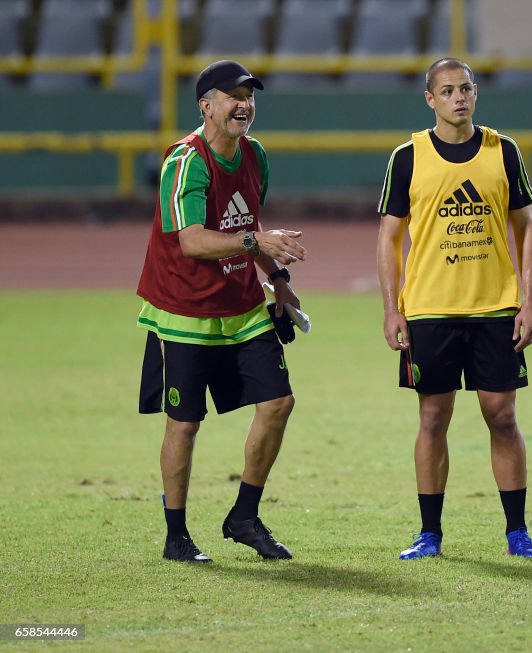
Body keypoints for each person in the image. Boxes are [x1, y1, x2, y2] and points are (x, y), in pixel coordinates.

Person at [136, 60, 308, 563]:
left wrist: (277, 279)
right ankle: (177, 536)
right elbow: (191, 241)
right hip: (184, 308)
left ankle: (244, 517)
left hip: (241, 304)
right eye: (232, 95)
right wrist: (260, 242)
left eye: (249, 95)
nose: (244, 104)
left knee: (278, 402)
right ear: (205, 106)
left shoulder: (255, 156)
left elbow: (244, 224)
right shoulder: (184, 161)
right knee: (184, 423)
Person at [376, 58, 532, 560]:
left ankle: (517, 532)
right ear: (430, 99)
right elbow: (388, 239)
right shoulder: (407, 156)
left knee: (502, 414)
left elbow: (527, 228)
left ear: (476, 94)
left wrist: (529, 300)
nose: (458, 98)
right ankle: (429, 533)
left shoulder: (503, 151)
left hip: (495, 305)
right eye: (447, 91)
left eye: (466, 89)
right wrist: (392, 308)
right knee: (433, 417)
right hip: (429, 309)